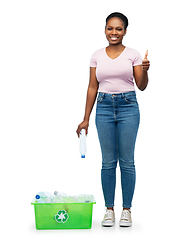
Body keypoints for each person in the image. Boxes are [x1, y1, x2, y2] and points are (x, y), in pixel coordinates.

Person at [76, 12, 150, 227]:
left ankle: (126, 210)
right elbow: (92, 86)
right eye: (110, 28)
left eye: (119, 28)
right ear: (105, 29)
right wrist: (85, 119)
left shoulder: (134, 55)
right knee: (108, 162)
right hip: (104, 108)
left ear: (125, 31)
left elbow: (142, 85)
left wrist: (145, 71)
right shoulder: (96, 55)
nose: (114, 32)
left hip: (128, 107)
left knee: (127, 161)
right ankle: (109, 210)